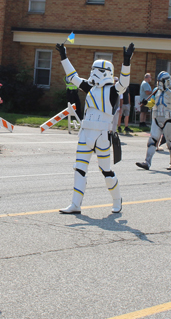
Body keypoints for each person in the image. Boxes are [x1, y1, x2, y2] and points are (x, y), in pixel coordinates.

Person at [55, 42, 134, 214]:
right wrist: (64, 57)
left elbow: (124, 82)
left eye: (98, 71)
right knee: (79, 168)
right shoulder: (89, 88)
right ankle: (75, 204)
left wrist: (126, 62)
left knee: (105, 170)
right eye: (93, 70)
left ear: (107, 73)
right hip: (86, 133)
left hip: (101, 135)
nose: (94, 73)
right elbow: (73, 76)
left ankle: (116, 200)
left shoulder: (113, 91)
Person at [136, 71, 171, 171]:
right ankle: (147, 162)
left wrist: (166, 89)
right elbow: (153, 103)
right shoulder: (156, 90)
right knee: (152, 140)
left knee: (170, 142)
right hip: (156, 119)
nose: (159, 83)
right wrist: (146, 103)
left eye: (162, 81)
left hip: (169, 119)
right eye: (159, 81)